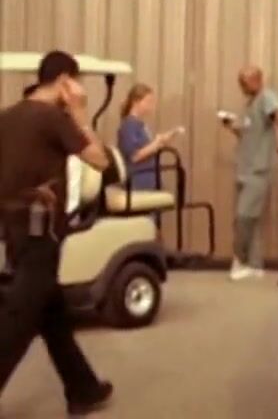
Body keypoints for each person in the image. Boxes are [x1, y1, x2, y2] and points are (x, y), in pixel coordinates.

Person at [0, 51, 115, 414]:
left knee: (52, 315)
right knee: (18, 320)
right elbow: (101, 160)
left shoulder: (7, 116)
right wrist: (80, 114)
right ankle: (83, 389)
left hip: (15, 228)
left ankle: (84, 389)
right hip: (42, 233)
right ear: (65, 80)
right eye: (76, 82)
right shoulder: (54, 118)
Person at [219, 65, 278, 281]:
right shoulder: (250, 104)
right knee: (253, 219)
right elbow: (248, 133)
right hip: (245, 167)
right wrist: (231, 126)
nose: (241, 86)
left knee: (244, 217)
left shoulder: (267, 97)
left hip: (258, 169)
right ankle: (255, 264)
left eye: (244, 82)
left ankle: (239, 260)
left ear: (257, 80)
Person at [116, 83, 181, 222]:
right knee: (143, 220)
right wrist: (156, 143)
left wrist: (162, 141)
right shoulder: (129, 125)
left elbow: (146, 148)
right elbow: (134, 156)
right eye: (148, 101)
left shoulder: (140, 125)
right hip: (138, 180)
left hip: (149, 179)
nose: (151, 106)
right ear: (136, 102)